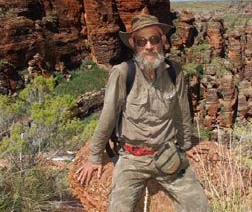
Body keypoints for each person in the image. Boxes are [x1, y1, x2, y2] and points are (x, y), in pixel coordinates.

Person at [76, 14, 211, 212]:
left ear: (162, 40)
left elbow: (182, 111)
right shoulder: (123, 73)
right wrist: (95, 157)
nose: (148, 46)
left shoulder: (175, 72)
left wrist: (186, 144)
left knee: (198, 205)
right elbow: (108, 116)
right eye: (142, 41)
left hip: (168, 154)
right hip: (132, 158)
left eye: (154, 39)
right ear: (133, 44)